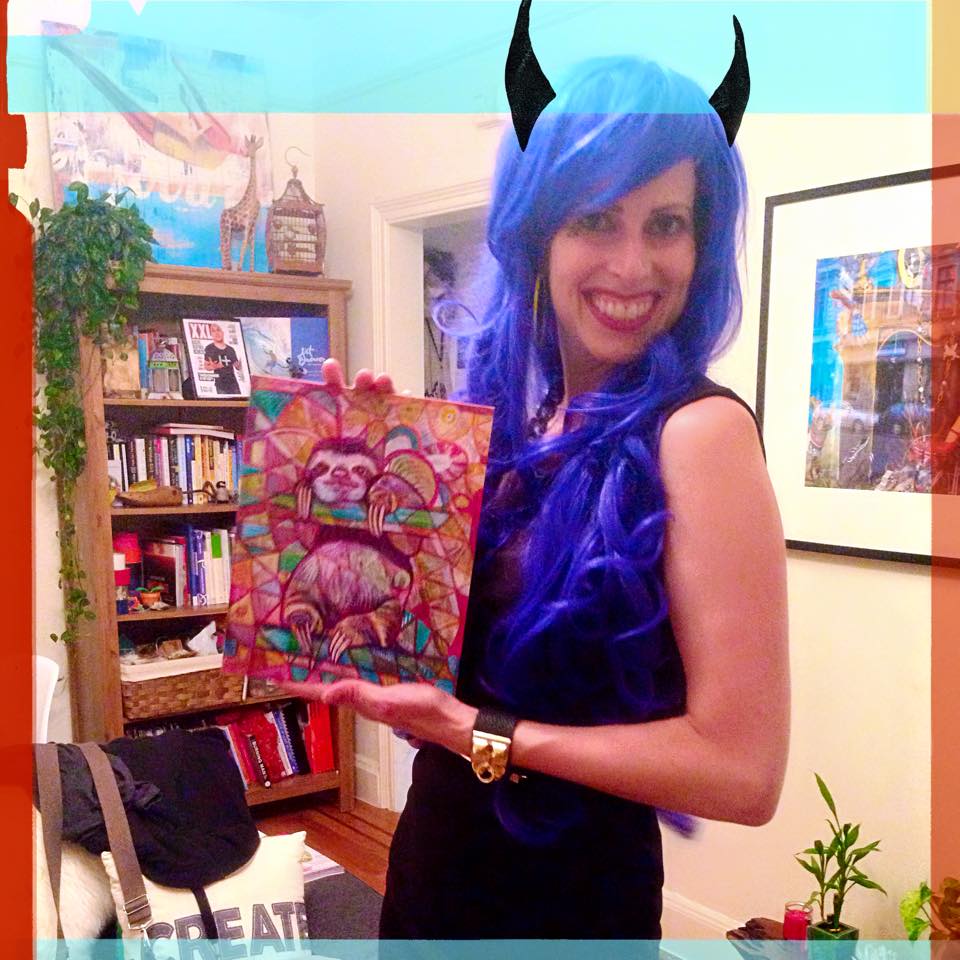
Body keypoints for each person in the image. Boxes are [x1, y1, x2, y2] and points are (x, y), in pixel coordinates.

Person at [289, 55, 790, 941]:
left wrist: (477, 733)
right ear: (538, 233)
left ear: (701, 243)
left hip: (565, 907)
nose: (633, 264)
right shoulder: (528, 429)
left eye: (666, 223)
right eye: (596, 218)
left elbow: (743, 773)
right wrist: (354, 486)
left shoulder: (699, 433)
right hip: (435, 872)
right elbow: (452, 697)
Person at [202, 323, 243, 395]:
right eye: (213, 331)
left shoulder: (230, 349)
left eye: (218, 330)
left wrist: (239, 365)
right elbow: (206, 366)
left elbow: (237, 366)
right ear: (211, 334)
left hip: (233, 384)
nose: (216, 333)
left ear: (222, 332)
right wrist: (214, 367)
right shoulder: (209, 348)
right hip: (220, 385)